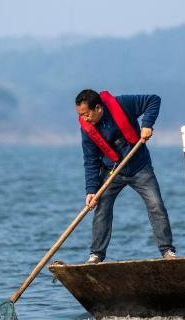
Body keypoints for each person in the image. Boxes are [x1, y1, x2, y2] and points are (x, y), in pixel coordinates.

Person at [76, 89, 177, 263]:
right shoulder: (86, 129)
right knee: (102, 210)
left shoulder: (122, 105)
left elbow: (153, 99)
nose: (84, 119)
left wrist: (147, 124)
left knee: (156, 205)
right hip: (112, 172)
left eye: (86, 114)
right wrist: (91, 190)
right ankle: (96, 255)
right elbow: (91, 161)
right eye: (81, 115)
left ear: (98, 108)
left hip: (140, 167)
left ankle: (167, 251)